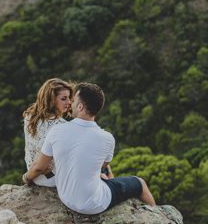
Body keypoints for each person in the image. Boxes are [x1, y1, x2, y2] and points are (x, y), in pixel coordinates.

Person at [22, 82, 156, 214]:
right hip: (95, 204)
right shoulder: (108, 138)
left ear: (80, 107)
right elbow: (101, 165)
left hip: (66, 198)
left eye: (72, 100)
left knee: (100, 166)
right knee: (140, 183)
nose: (70, 103)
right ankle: (158, 218)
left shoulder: (57, 130)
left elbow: (40, 165)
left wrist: (27, 178)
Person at [22, 78, 74, 187]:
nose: (69, 102)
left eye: (69, 98)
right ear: (51, 100)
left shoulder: (29, 116)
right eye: (64, 99)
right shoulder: (62, 125)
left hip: (34, 176)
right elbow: (43, 166)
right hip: (51, 179)